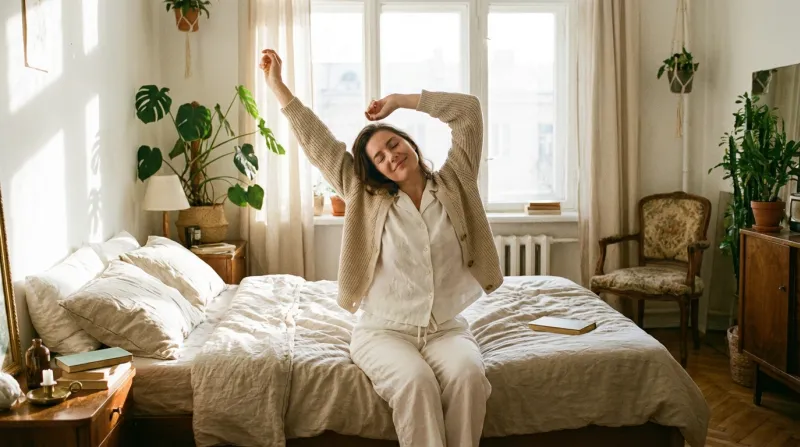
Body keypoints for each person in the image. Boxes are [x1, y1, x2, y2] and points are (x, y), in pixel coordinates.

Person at [260, 49, 503, 447]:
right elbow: (317, 141)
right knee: (417, 383)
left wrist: (401, 101)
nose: (392, 156)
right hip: (384, 332)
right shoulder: (363, 195)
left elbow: (468, 111)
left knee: (470, 377)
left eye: (394, 144)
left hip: (446, 329)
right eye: (380, 157)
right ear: (372, 168)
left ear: (408, 141)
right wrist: (278, 86)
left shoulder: (456, 179)